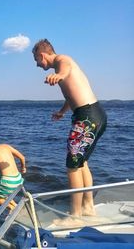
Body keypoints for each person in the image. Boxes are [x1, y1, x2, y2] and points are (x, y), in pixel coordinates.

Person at [32, 39, 107, 225]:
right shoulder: (61, 68)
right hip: (94, 114)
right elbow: (70, 95)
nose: (37, 64)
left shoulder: (62, 61)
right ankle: (87, 207)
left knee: (72, 166)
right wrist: (62, 112)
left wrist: (59, 75)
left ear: (42, 55)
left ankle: (74, 216)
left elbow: (65, 69)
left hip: (87, 117)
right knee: (82, 163)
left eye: (36, 60)